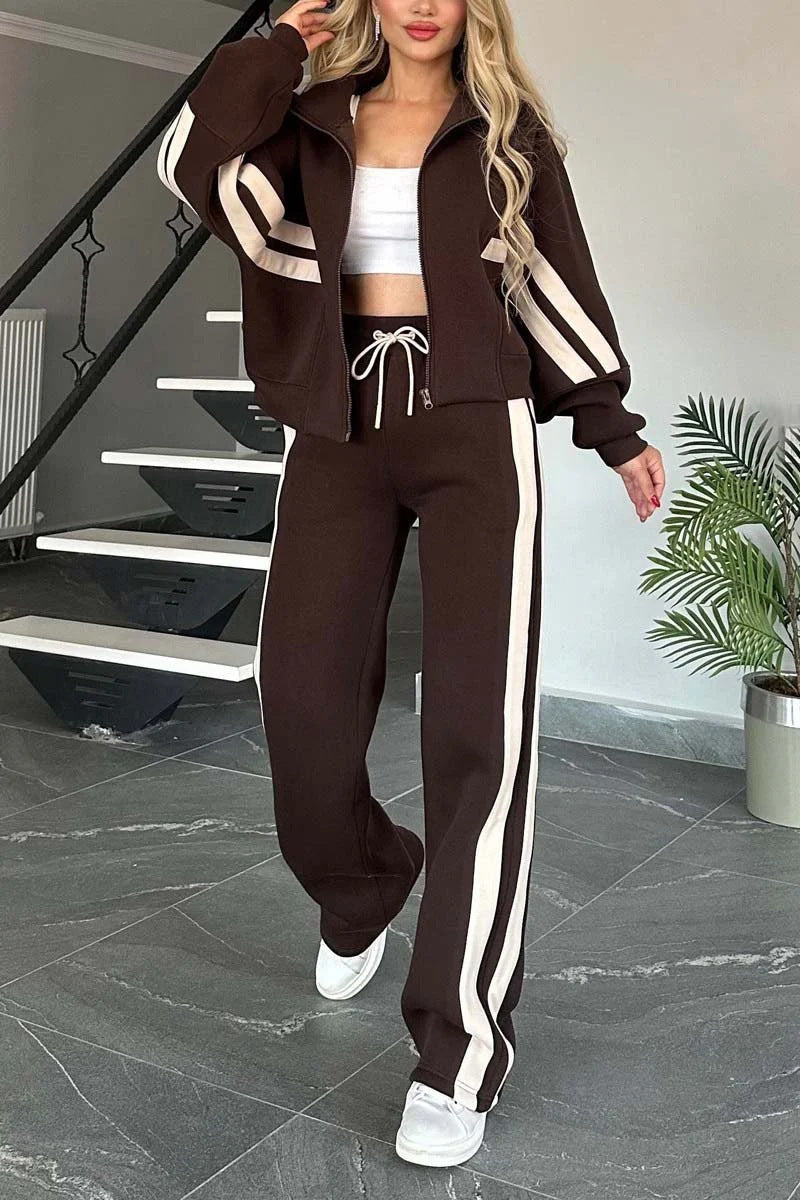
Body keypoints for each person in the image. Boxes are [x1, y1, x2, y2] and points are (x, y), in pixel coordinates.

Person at [157, 0, 665, 1168]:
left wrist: (608, 424)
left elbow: (549, 280)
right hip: (337, 429)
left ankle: (456, 1050)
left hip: (475, 431)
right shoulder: (308, 118)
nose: (423, 2)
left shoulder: (505, 130)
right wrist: (278, 48)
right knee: (299, 705)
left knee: (478, 737)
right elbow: (192, 162)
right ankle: (361, 881)